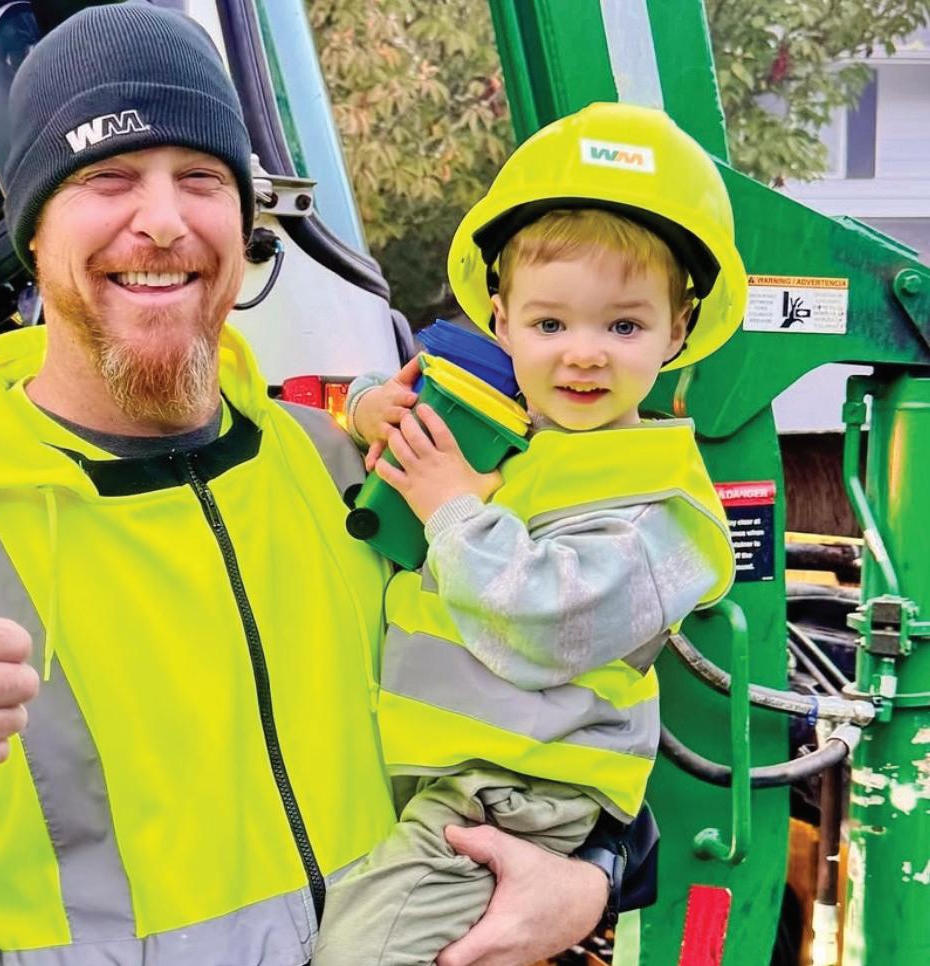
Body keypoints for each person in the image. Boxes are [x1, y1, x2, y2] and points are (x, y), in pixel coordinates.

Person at [0, 8, 629, 965]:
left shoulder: (343, 477)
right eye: (107, 177)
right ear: (32, 233)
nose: (163, 221)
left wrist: (595, 873)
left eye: (201, 178)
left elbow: (552, 690)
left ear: (245, 222)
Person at [312, 102, 747, 966]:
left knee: (361, 952)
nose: (583, 354)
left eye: (623, 326)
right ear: (500, 319)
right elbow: (376, 402)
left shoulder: (666, 510)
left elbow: (551, 622)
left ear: (678, 329)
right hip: (444, 778)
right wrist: (366, 407)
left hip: (515, 797)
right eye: (551, 324)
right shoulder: (520, 435)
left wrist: (451, 509)